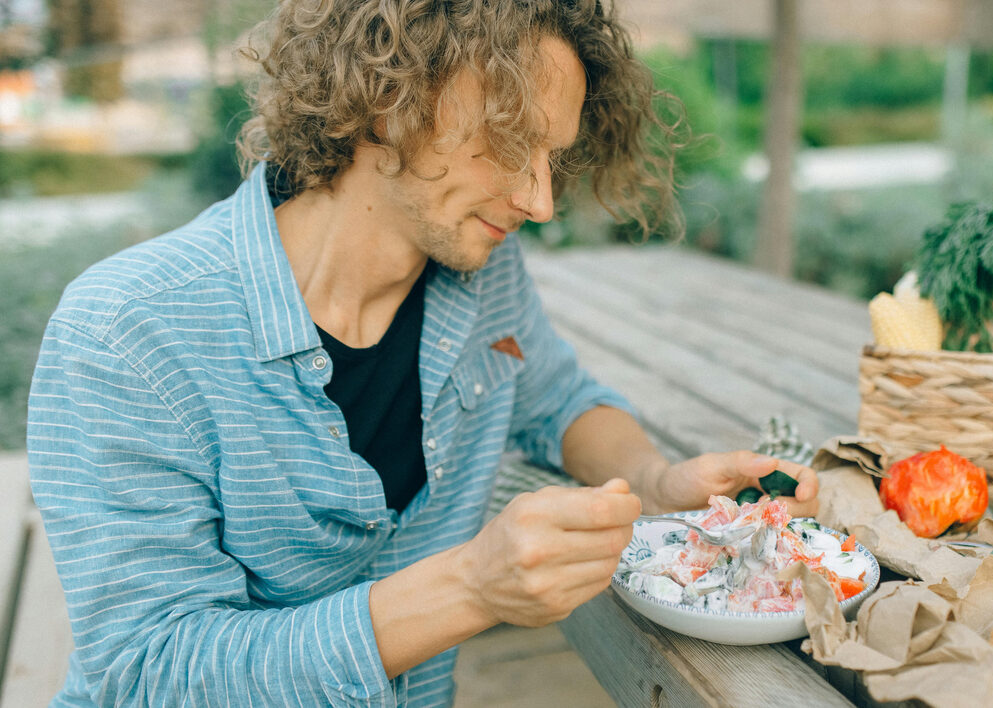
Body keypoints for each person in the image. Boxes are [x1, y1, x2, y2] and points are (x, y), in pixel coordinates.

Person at [26, 1, 819, 705]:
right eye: (509, 142)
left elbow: (557, 399)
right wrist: (472, 586)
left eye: (553, 158)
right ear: (387, 97)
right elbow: (146, 671)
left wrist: (656, 480)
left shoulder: (480, 268)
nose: (540, 201)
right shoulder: (127, 331)